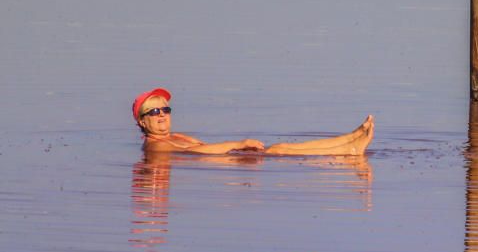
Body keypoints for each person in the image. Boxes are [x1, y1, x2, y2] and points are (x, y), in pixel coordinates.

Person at [133, 88, 373, 156]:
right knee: (279, 150)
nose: (162, 114)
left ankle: (349, 139)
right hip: (230, 160)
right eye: (153, 111)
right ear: (142, 122)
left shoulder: (176, 136)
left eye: (165, 109)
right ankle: (350, 150)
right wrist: (238, 143)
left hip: (232, 156)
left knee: (280, 148)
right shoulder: (155, 147)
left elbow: (201, 148)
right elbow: (200, 151)